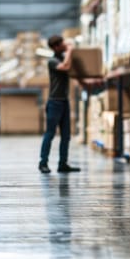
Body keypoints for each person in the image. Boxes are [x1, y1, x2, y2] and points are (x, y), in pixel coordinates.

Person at [39, 36, 82, 174]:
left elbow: (73, 71)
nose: (65, 44)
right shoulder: (52, 61)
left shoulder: (63, 57)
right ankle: (43, 163)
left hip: (64, 101)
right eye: (62, 43)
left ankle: (62, 164)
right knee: (50, 134)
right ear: (56, 47)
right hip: (54, 102)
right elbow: (66, 67)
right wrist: (70, 50)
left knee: (66, 135)